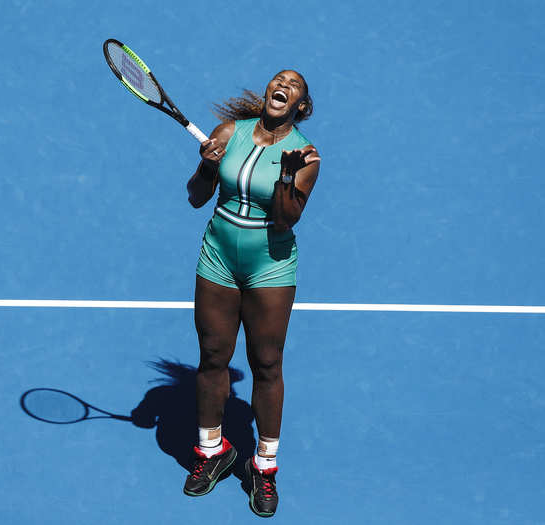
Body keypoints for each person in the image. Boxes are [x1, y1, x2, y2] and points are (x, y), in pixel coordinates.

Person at [183, 70, 320, 517]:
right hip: (218, 257)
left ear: (299, 105)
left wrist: (286, 178)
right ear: (267, 93)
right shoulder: (229, 133)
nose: (284, 86)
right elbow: (196, 198)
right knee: (213, 356)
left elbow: (285, 221)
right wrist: (207, 165)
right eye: (278, 80)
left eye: (294, 85)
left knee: (266, 363)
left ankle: (263, 466)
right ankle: (211, 452)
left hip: (270, 267)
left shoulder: (305, 156)